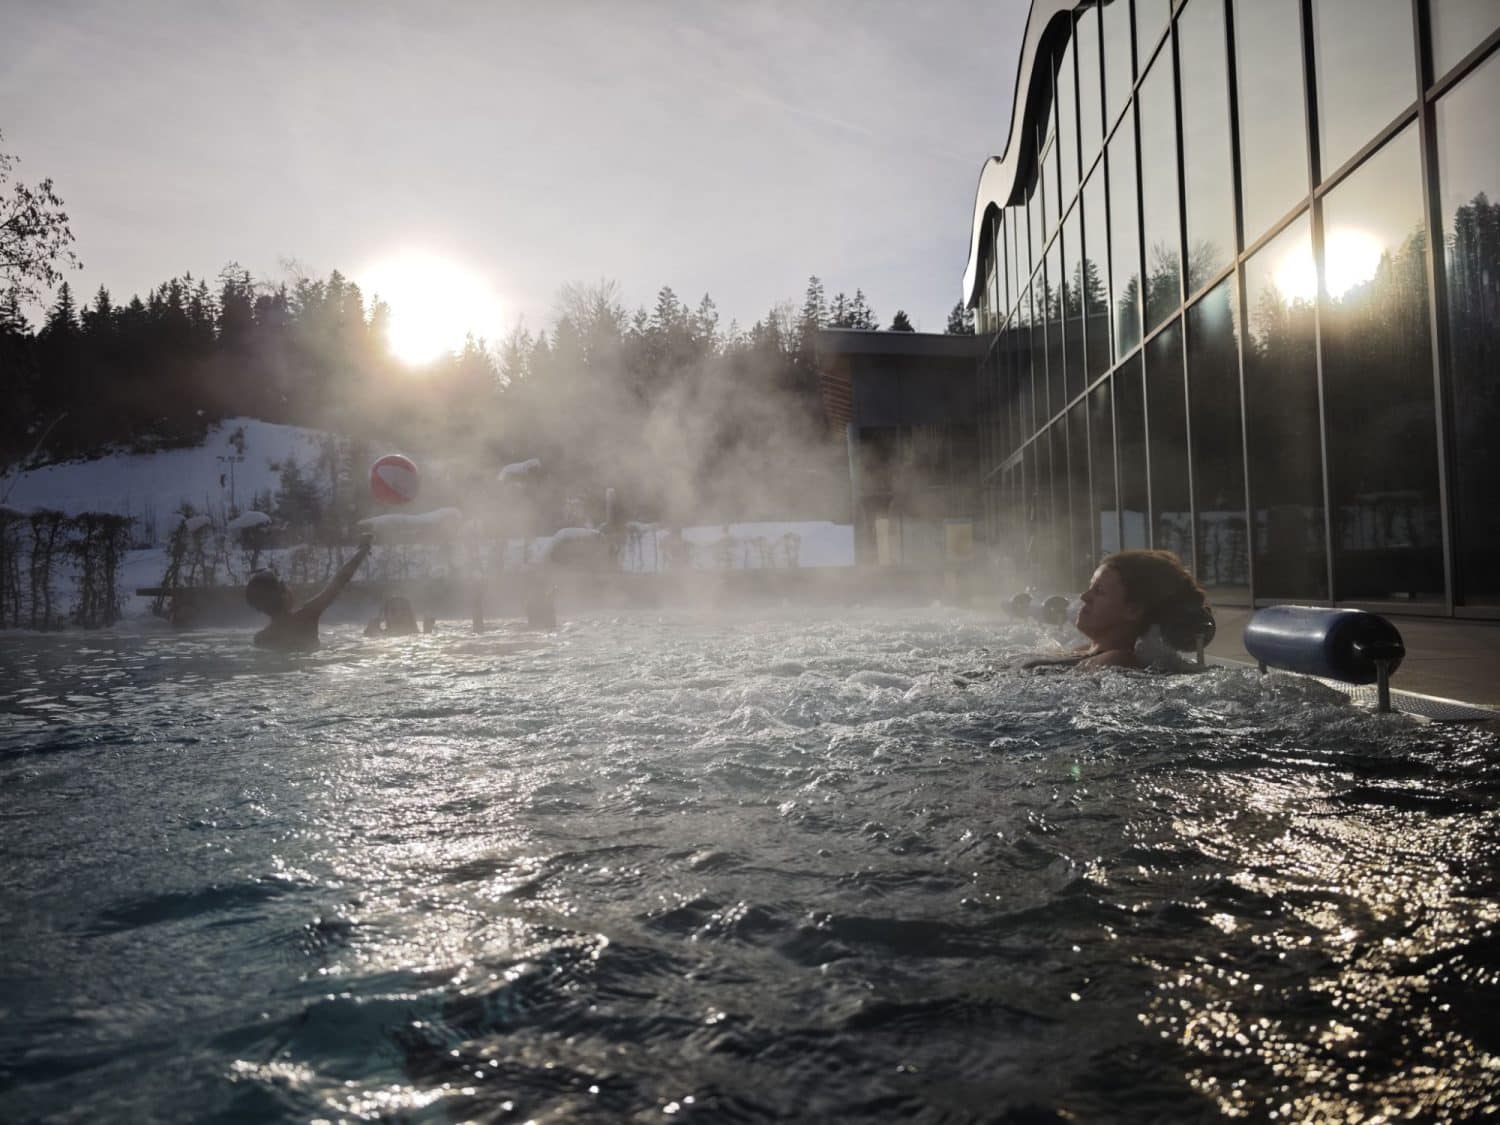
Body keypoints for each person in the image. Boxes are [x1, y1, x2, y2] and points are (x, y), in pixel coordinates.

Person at [1023, 549, 1212, 672]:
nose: (1084, 597)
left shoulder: (1118, 660)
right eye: (1090, 588)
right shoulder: (1084, 651)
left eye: (1099, 591)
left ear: (1133, 610)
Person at [246, 532, 373, 651]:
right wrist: (363, 550)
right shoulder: (307, 617)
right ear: (284, 597)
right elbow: (340, 580)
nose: (291, 590)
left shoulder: (261, 639)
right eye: (287, 588)